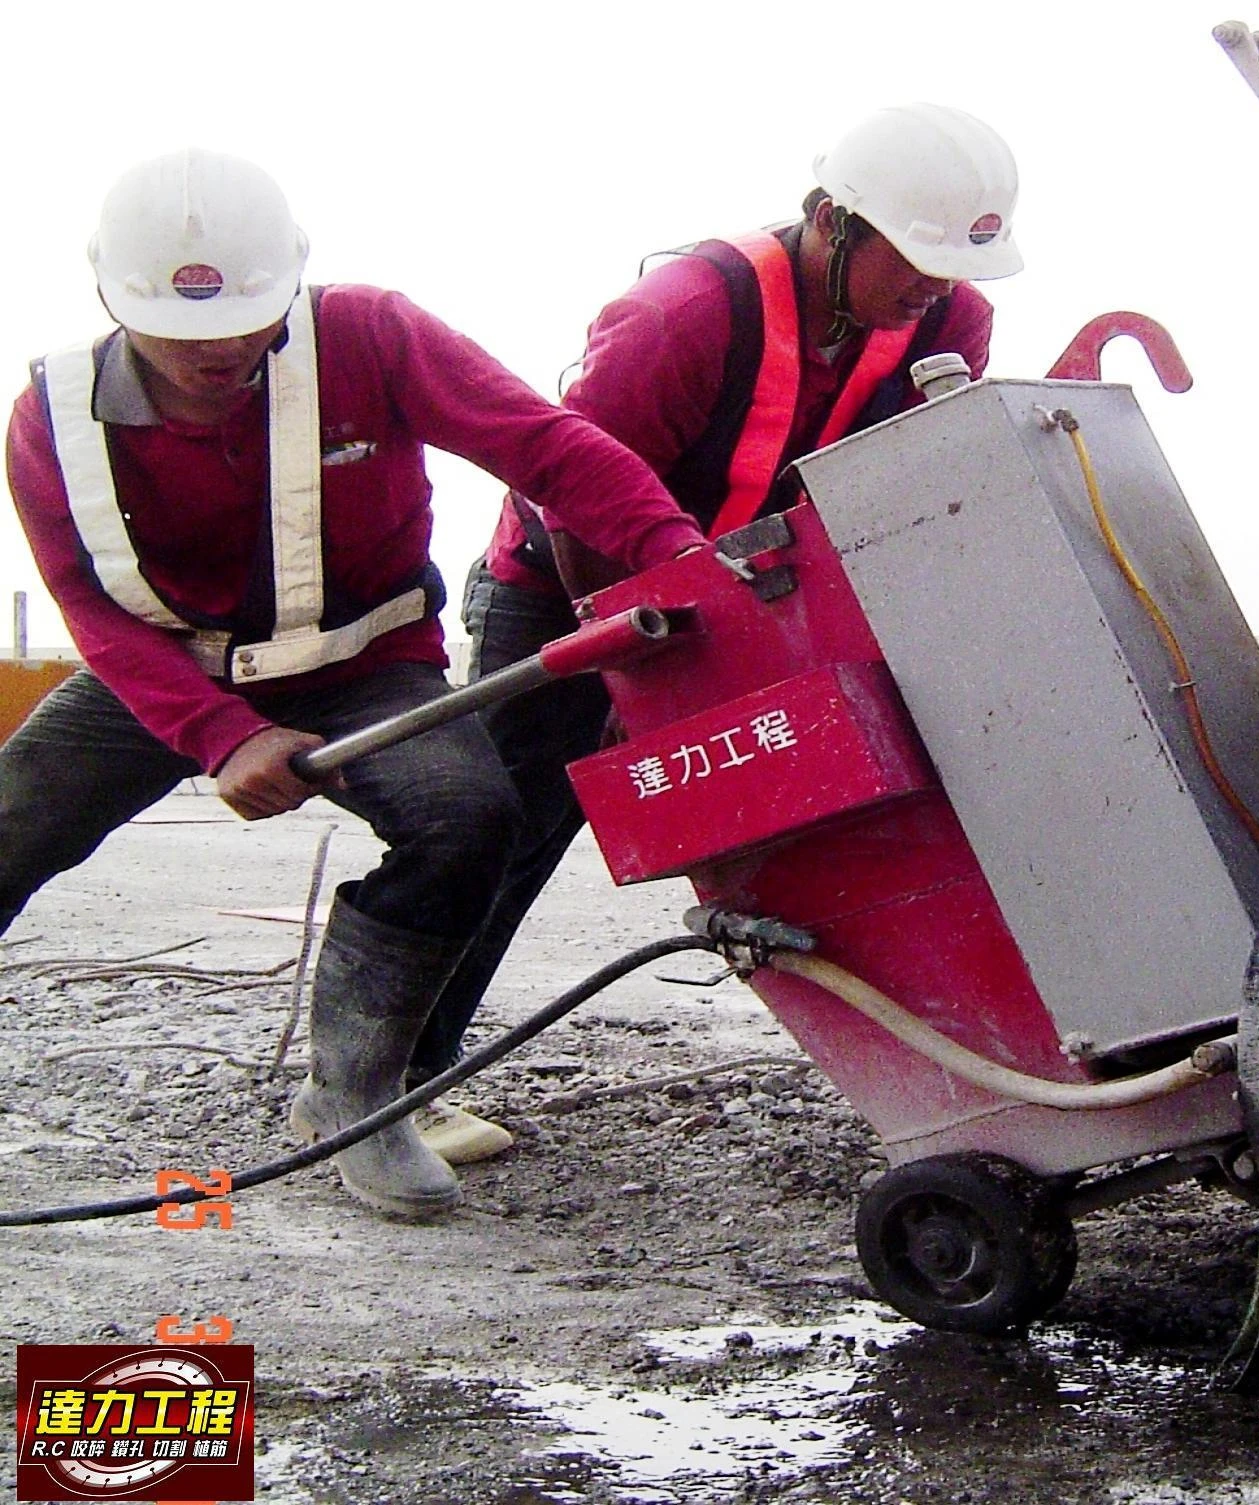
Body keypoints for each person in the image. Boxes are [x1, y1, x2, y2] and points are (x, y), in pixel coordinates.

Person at [0, 148, 722, 1219]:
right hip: (168, 674)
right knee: (13, 819)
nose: (223, 351)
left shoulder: (371, 336)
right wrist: (216, 732)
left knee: (470, 820)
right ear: (116, 299)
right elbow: (97, 613)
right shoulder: (48, 425)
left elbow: (552, 451)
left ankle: (356, 1095)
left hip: (365, 666)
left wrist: (680, 556)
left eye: (247, 318)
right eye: (187, 333)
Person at [405, 103, 1023, 1161]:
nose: (932, 285)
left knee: (833, 800)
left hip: (749, 597)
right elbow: (571, 492)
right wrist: (645, 648)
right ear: (831, 219)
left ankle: (944, 1059)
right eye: (912, 256)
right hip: (568, 587)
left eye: (949, 263)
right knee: (507, 826)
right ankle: (396, 1077)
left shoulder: (946, 319)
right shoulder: (685, 313)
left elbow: (890, 489)